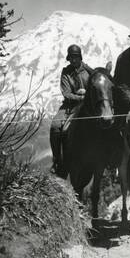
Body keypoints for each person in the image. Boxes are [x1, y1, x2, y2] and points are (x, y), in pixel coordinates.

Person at [49, 44, 93, 175]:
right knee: (55, 126)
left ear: (80, 57)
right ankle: (57, 160)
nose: (73, 60)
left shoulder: (89, 71)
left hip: (88, 105)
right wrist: (81, 97)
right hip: (69, 106)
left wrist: (88, 97)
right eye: (71, 58)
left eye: (76, 57)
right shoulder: (66, 72)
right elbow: (66, 93)